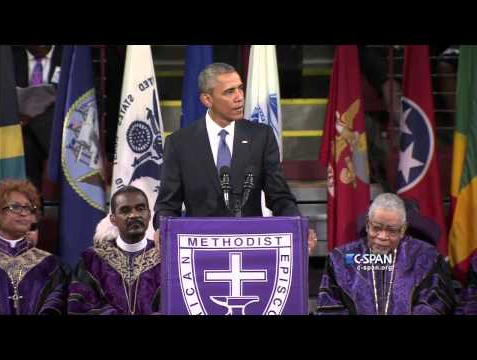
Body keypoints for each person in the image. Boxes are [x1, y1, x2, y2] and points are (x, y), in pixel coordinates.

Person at [153, 62, 317, 250]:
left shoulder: (260, 136)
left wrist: (298, 226)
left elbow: (279, 196)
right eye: (229, 92)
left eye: (240, 88)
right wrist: (162, 229)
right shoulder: (179, 143)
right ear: (207, 99)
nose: (239, 97)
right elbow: (167, 204)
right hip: (201, 249)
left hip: (251, 246)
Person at [316, 192, 455, 315]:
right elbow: (330, 306)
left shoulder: (427, 257)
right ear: (367, 224)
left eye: (391, 230)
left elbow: (435, 304)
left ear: (403, 229)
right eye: (376, 228)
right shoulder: (340, 258)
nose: (382, 236)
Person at [68, 186, 161, 315]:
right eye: (125, 210)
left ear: (149, 214)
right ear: (113, 219)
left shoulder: (165, 257)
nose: (134, 215)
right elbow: (80, 306)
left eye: (140, 209)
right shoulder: (92, 260)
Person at [0, 179, 67, 314]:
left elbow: (57, 304)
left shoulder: (49, 265)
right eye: (15, 207)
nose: (23, 213)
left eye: (28, 208)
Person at [12, 45, 62, 193]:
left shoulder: (68, 55)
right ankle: (31, 201)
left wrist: (32, 120)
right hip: (19, 127)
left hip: (57, 127)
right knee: (24, 144)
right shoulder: (9, 56)